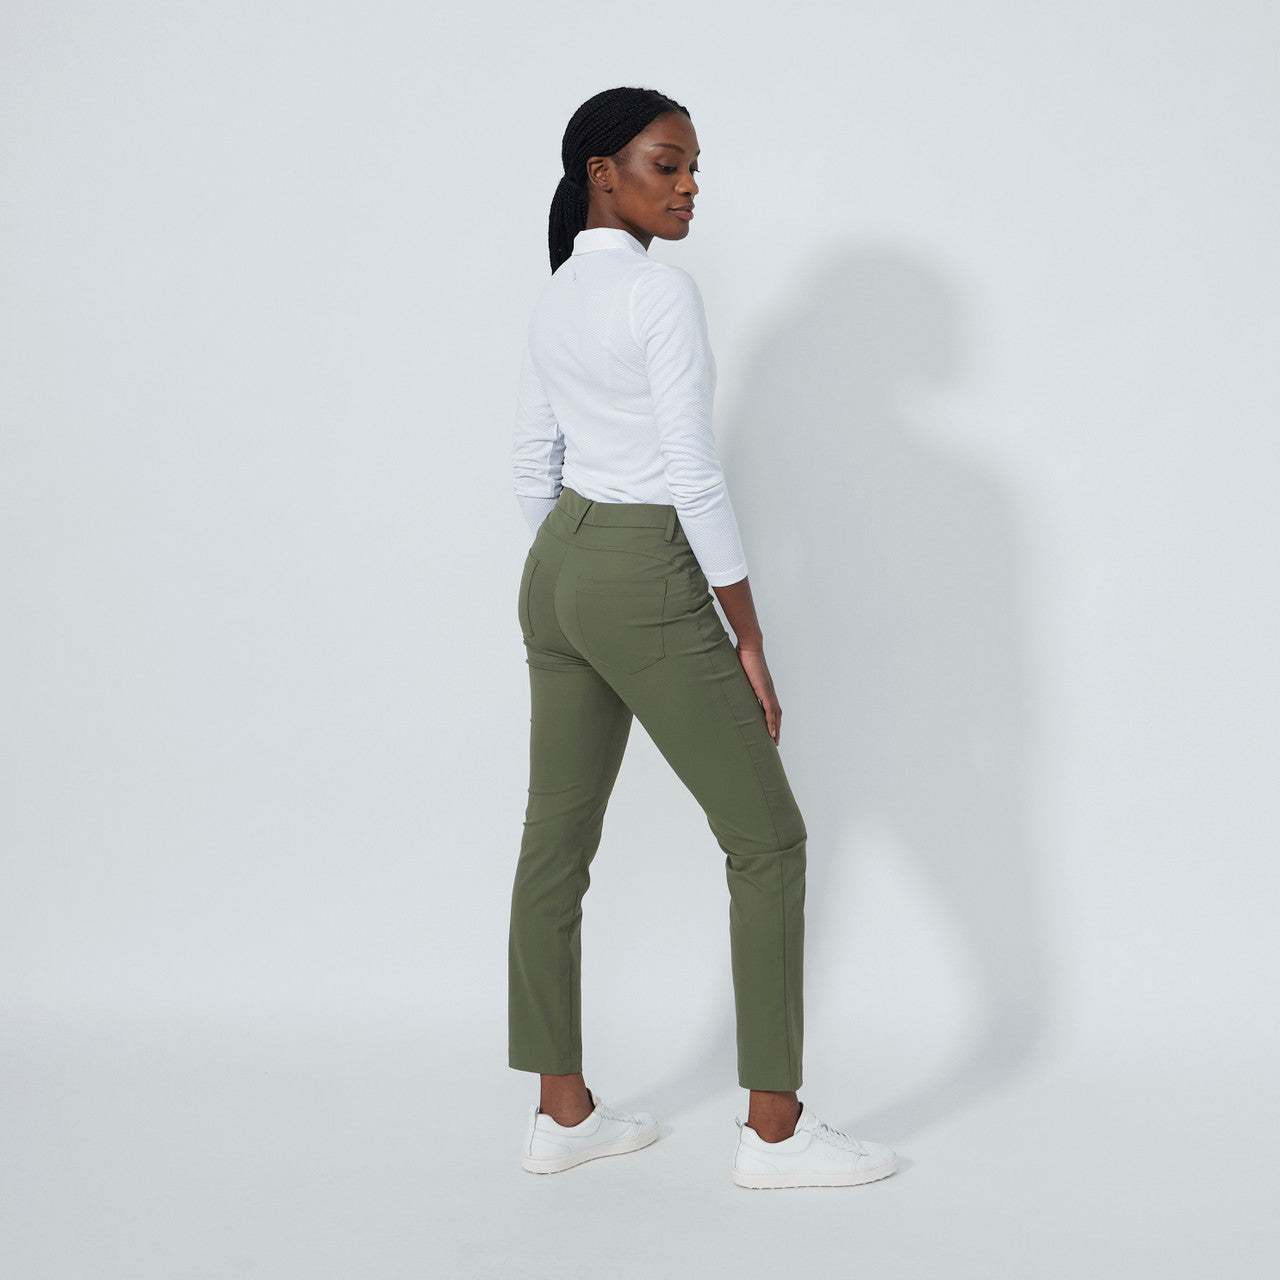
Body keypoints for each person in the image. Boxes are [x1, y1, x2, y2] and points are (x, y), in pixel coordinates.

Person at [508, 85, 898, 1189]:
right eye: (665, 164)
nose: (687, 188)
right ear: (602, 173)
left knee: (553, 844)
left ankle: (561, 1114)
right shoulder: (657, 294)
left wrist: (576, 565)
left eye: (691, 169)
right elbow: (692, 473)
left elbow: (531, 460)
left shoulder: (557, 292)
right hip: (640, 566)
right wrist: (748, 636)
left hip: (560, 565)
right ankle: (774, 1134)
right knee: (768, 841)